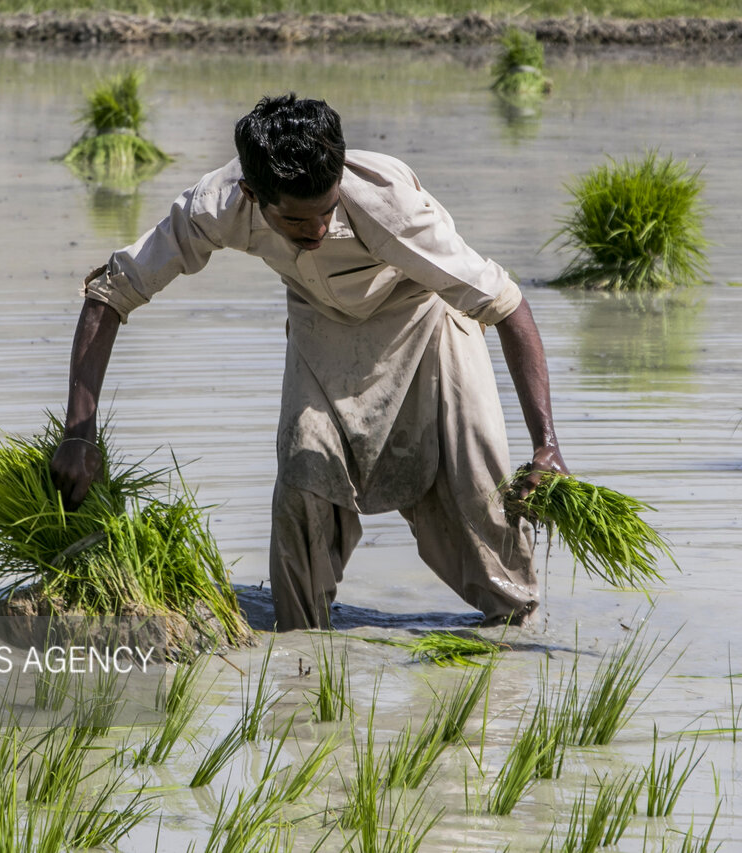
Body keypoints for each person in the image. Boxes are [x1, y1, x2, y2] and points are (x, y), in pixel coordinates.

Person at [51, 93, 567, 631]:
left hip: (427, 320)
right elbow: (110, 293)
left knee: (478, 493)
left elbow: (508, 306)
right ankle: (302, 652)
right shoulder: (215, 206)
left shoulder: (389, 205)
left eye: (327, 210)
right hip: (320, 324)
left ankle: (516, 638)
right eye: (297, 222)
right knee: (302, 479)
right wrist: (79, 432)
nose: (317, 230)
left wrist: (546, 443)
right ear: (253, 196)